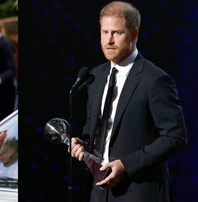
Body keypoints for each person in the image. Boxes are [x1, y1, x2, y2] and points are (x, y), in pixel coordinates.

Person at [70, 1, 187, 201]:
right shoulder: (95, 76)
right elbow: (93, 131)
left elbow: (175, 137)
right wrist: (83, 145)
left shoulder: (155, 80)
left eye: (117, 33)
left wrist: (126, 165)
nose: (109, 40)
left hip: (138, 191)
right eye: (105, 32)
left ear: (134, 34)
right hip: (99, 192)